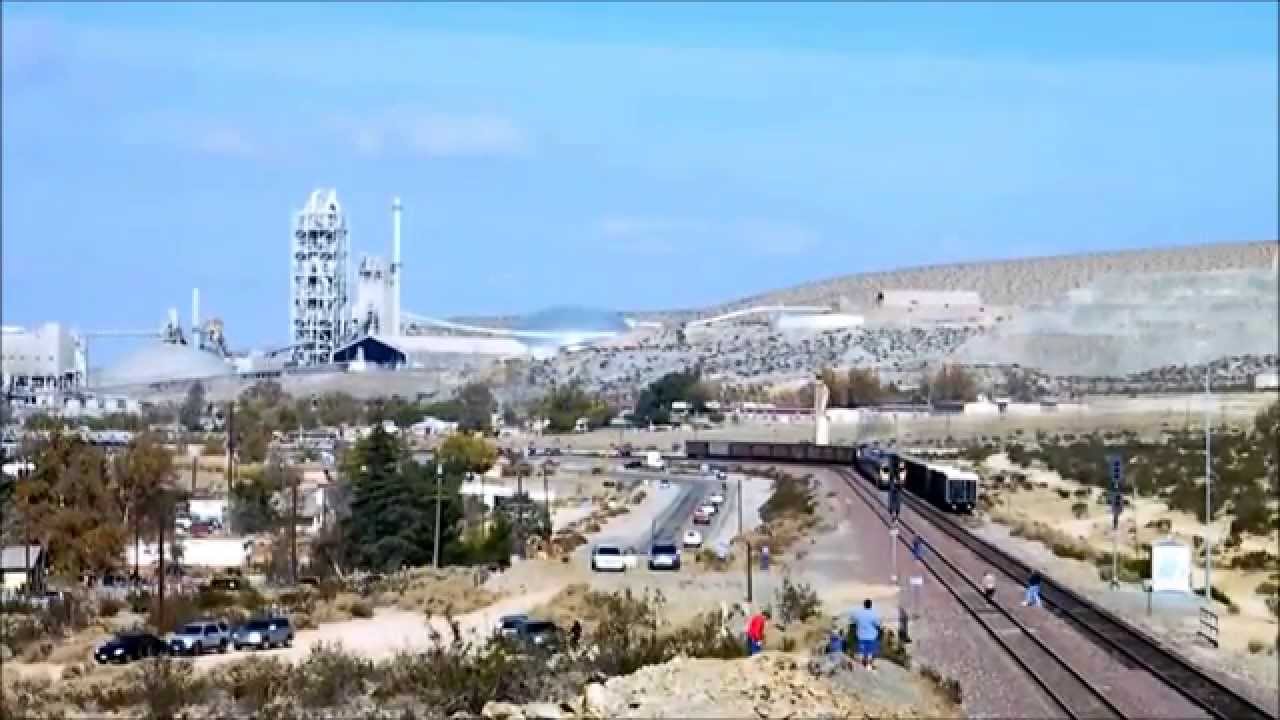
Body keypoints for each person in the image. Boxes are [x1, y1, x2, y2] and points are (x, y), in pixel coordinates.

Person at [850, 599, 882, 670]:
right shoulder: (874, 614)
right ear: (871, 605)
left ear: (864, 605)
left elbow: (852, 621)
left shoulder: (858, 613)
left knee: (861, 652)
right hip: (871, 637)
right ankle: (868, 666)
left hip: (860, 636)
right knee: (869, 652)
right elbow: (878, 624)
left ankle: (860, 666)